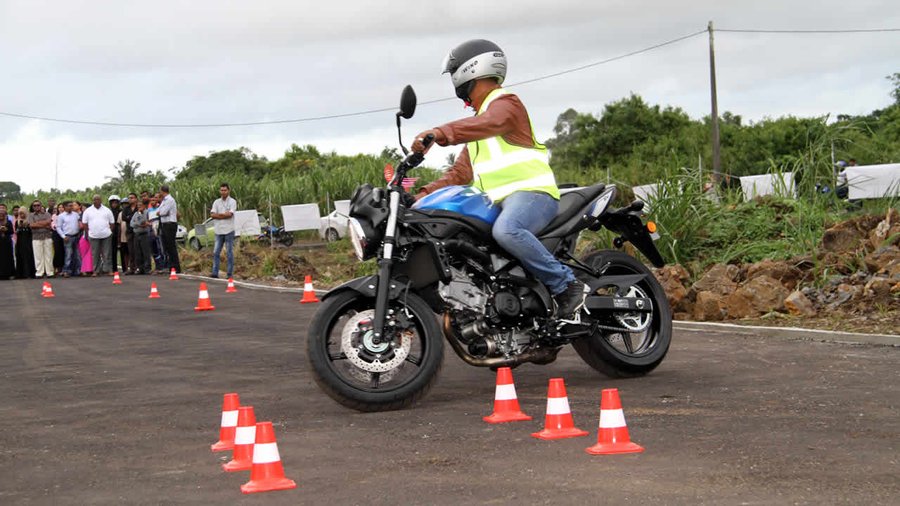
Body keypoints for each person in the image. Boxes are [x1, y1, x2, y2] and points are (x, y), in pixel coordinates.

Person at [411, 39, 586, 317]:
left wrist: (441, 132)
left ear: (470, 70)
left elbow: (492, 122)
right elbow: (459, 174)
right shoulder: (480, 126)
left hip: (533, 194)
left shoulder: (505, 105)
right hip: (499, 202)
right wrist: (421, 196)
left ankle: (567, 285)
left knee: (507, 231)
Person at [81, 195, 115, 276]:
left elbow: (112, 223)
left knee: (107, 253)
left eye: (98, 199)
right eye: (94, 199)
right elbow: (84, 223)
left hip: (106, 235)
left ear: (101, 200)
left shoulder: (107, 210)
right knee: (95, 254)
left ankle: (108, 270)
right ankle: (96, 271)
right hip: (93, 236)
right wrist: (88, 232)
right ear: (92, 201)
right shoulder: (88, 211)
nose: (96, 201)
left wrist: (109, 231)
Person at [210, 182, 237, 278]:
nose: (223, 192)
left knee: (229, 252)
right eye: (221, 190)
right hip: (218, 230)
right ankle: (215, 272)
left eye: (225, 190)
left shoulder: (232, 202)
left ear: (228, 191)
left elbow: (230, 214)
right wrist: (223, 215)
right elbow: (212, 215)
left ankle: (229, 274)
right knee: (216, 252)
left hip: (229, 230)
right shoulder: (216, 202)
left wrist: (219, 215)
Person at [27, 200, 54, 278]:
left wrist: (37, 223)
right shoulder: (31, 215)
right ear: (32, 207)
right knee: (38, 256)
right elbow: (31, 225)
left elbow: (49, 223)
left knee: (49, 255)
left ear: (41, 205)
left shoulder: (47, 214)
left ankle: (50, 272)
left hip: (47, 236)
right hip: (36, 237)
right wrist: (44, 224)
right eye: (34, 206)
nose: (36, 207)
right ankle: (39, 272)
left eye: (38, 205)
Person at [157, 185, 181, 273]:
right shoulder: (164, 201)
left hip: (170, 224)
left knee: (171, 247)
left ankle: (176, 267)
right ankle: (171, 266)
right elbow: (158, 211)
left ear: (163, 191)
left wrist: (160, 212)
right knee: (167, 247)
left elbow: (163, 212)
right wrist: (160, 212)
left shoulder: (170, 200)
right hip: (165, 225)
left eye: (160, 191)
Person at [57, 201, 82, 278]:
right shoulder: (61, 216)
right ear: (64, 207)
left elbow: (79, 223)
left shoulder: (76, 214)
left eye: (71, 206)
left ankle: (77, 271)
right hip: (68, 237)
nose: (71, 207)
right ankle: (66, 271)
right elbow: (58, 227)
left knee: (77, 255)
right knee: (68, 255)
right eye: (69, 206)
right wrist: (63, 236)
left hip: (76, 236)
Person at [130, 199, 153, 274]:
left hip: (144, 234)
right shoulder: (136, 214)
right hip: (137, 234)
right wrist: (139, 224)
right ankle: (140, 268)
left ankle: (147, 268)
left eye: (140, 205)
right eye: (138, 206)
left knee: (146, 252)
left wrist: (141, 222)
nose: (139, 207)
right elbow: (132, 224)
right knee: (138, 252)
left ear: (144, 206)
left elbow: (143, 221)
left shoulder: (147, 212)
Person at [14, 209, 36, 279]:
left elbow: (32, 231)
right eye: (20, 214)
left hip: (28, 241)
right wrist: (20, 227)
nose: (21, 215)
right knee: (20, 256)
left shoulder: (29, 221)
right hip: (20, 242)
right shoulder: (17, 222)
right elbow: (16, 232)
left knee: (28, 256)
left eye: (23, 214)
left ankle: (29, 273)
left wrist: (28, 225)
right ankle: (21, 274)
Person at [120, 193, 137, 274]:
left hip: (138, 231)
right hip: (129, 231)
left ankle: (141, 267)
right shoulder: (126, 208)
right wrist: (133, 217)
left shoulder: (138, 207)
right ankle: (132, 268)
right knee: (131, 250)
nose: (130, 199)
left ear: (136, 199)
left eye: (132, 198)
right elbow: (124, 218)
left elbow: (139, 217)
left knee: (138, 249)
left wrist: (129, 217)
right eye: (129, 198)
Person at [108, 195, 122, 273]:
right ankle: (112, 268)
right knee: (111, 251)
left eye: (116, 203)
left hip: (119, 232)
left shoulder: (120, 211)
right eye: (112, 203)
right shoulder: (108, 211)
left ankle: (120, 268)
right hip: (110, 232)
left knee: (118, 250)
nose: (114, 204)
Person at [0, 207, 14, 279]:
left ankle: (8, 273)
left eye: (3, 214)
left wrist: (6, 229)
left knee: (7, 258)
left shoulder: (8, 222)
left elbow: (12, 231)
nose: (1, 216)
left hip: (7, 243)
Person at [51, 203, 65, 274]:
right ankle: (56, 267)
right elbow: (53, 225)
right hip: (56, 234)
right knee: (57, 251)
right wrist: (58, 227)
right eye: (59, 207)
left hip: (65, 234)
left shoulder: (66, 215)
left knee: (64, 251)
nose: (60, 208)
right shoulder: (54, 216)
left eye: (62, 207)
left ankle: (63, 268)